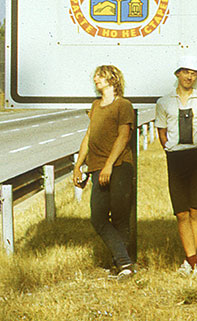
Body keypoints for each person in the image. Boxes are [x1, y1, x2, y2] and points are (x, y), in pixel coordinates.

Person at [73, 65, 136, 280]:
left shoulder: (123, 105)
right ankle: (124, 261)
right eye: (95, 76)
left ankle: (122, 266)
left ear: (112, 79)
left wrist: (109, 165)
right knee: (98, 218)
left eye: (100, 76)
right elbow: (89, 136)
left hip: (119, 166)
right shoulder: (95, 106)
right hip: (97, 167)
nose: (95, 79)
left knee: (119, 216)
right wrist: (78, 165)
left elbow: (123, 137)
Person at [155, 55, 197, 276]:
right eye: (186, 72)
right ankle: (192, 261)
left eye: (194, 73)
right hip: (175, 159)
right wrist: (170, 146)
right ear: (178, 73)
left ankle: (190, 260)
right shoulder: (164, 102)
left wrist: (195, 144)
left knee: (195, 210)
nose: (189, 76)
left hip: (196, 157)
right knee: (181, 212)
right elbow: (161, 131)